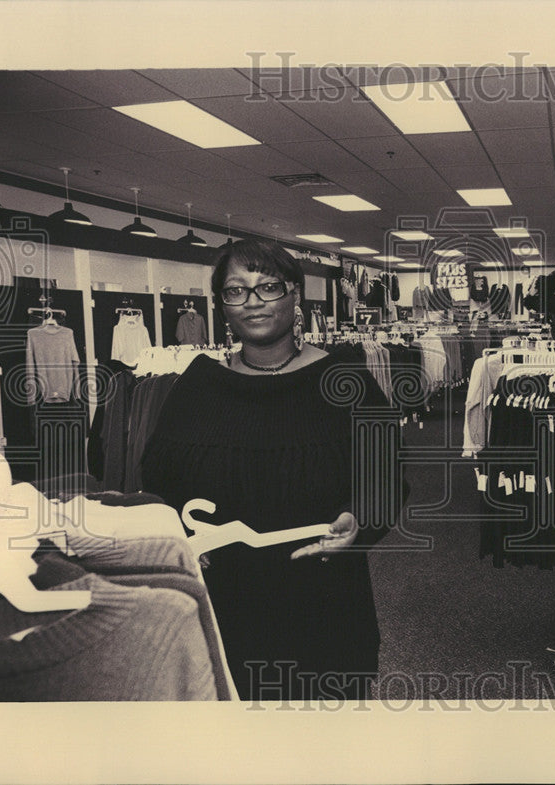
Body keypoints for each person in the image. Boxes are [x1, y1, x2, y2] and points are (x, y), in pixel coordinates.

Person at [141, 239, 401, 701]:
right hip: (223, 605)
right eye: (236, 290)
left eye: (267, 287)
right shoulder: (197, 387)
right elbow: (156, 480)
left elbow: (387, 477)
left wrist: (358, 518)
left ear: (295, 295)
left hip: (325, 603)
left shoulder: (345, 380)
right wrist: (177, 537)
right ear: (222, 304)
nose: (253, 301)